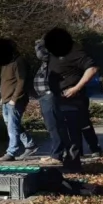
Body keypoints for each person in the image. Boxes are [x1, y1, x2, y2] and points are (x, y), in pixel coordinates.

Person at [46, 27, 98, 164]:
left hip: (72, 98)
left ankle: (73, 163)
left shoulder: (74, 51)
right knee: (63, 129)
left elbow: (92, 69)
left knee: (72, 130)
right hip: (58, 97)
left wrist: (76, 88)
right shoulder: (54, 53)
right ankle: (68, 159)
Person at [33, 38, 78, 169]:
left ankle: (57, 155)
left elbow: (42, 54)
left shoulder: (53, 57)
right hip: (45, 96)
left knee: (55, 126)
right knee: (53, 126)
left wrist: (40, 43)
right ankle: (56, 153)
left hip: (50, 95)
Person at [0, 42, 38, 162]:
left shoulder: (19, 61)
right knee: (12, 125)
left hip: (15, 100)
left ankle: (11, 152)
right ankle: (30, 145)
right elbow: (6, 82)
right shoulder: (6, 63)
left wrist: (14, 99)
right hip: (6, 99)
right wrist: (3, 97)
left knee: (12, 126)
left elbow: (22, 81)